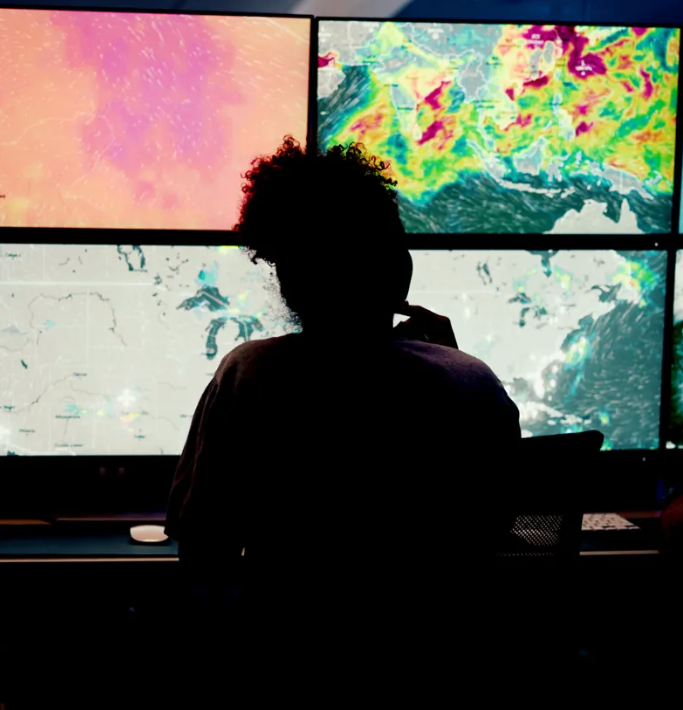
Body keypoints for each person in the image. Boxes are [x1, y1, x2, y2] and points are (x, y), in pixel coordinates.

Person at [164, 138, 522, 704]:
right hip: (437, 681)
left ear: (288, 280)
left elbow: (201, 547)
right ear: (397, 268)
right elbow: (494, 531)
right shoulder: (471, 382)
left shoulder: (249, 375)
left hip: (290, 678)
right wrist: (452, 367)